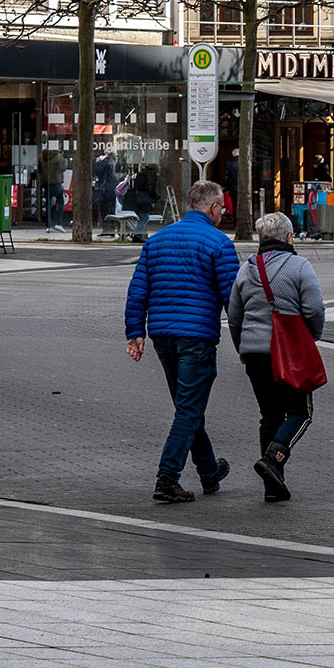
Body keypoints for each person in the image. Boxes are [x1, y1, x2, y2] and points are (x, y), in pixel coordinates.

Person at [123, 176, 241, 503]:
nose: (223, 213)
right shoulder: (218, 243)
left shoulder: (157, 240)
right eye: (222, 208)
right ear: (214, 207)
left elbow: (138, 291)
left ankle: (209, 471)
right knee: (188, 409)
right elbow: (233, 299)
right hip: (197, 336)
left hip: (162, 335)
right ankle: (167, 476)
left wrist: (136, 332)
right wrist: (245, 343)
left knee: (188, 405)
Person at [227, 209, 326, 502]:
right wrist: (311, 337)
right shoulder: (299, 266)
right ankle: (274, 458)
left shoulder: (246, 268)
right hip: (289, 353)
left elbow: (234, 316)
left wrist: (242, 348)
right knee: (301, 412)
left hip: (255, 354)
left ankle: (273, 485)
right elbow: (314, 309)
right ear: (288, 237)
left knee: (269, 415)